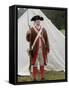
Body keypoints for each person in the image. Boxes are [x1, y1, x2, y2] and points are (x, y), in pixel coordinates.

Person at [26, 15, 50, 80]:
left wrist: (47, 47)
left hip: (42, 49)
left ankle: (42, 77)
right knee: (35, 64)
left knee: (42, 63)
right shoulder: (31, 29)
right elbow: (28, 40)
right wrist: (28, 34)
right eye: (37, 20)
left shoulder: (43, 29)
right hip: (34, 50)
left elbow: (46, 39)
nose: (38, 21)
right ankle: (34, 77)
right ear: (34, 21)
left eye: (39, 20)